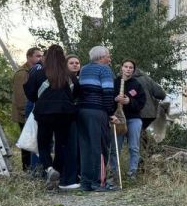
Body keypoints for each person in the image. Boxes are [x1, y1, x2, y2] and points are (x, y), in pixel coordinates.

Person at [24, 44, 78, 190]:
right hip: (65, 114)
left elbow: (30, 93)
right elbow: (76, 92)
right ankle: (57, 172)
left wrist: (41, 100)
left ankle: (49, 169)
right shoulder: (69, 75)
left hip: (44, 113)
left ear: (47, 57)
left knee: (43, 144)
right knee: (61, 145)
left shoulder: (39, 73)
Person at [76, 46, 117, 192]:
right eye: (108, 56)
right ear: (101, 57)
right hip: (97, 111)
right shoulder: (105, 69)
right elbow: (108, 92)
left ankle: (86, 182)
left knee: (85, 147)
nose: (109, 59)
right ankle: (98, 182)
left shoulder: (84, 69)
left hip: (82, 110)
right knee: (99, 146)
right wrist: (111, 112)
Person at [110, 60, 146, 180]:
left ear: (133, 70)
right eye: (126, 66)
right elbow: (107, 99)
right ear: (122, 68)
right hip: (118, 119)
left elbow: (141, 103)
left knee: (133, 147)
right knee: (116, 147)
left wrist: (129, 101)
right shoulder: (114, 82)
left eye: (131, 67)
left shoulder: (137, 85)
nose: (128, 69)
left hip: (133, 119)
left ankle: (132, 173)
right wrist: (115, 100)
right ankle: (115, 173)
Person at [12, 46, 42, 170]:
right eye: (37, 56)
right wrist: (25, 112)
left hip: (31, 112)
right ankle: (27, 169)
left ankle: (32, 168)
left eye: (41, 56)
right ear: (29, 57)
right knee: (27, 142)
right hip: (24, 113)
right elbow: (20, 95)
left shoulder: (34, 71)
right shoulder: (22, 73)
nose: (40, 58)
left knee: (33, 141)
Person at [60, 56, 82, 190]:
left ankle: (75, 176)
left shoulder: (79, 78)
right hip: (66, 116)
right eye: (71, 63)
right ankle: (67, 179)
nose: (75, 65)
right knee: (69, 147)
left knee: (77, 147)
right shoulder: (65, 79)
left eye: (77, 63)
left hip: (77, 115)